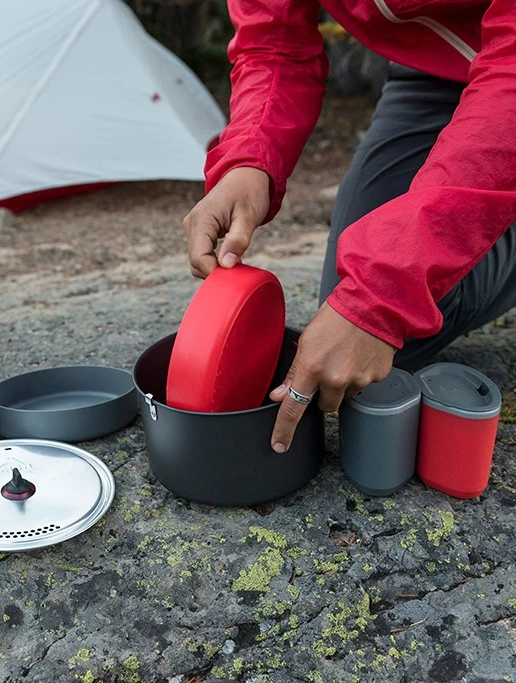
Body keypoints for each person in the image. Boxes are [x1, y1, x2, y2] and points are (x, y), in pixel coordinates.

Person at [182, 0, 516, 454]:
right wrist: (248, 161)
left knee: (378, 310)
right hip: (435, 70)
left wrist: (384, 295)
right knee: (358, 333)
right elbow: (273, 43)